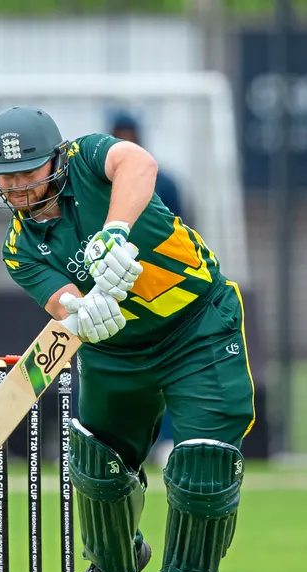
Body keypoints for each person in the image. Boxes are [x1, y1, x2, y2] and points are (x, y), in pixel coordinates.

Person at [0, 106, 255, 572]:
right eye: (8, 174)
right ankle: (111, 562)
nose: (18, 186)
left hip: (197, 324)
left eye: (30, 170)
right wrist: (81, 311)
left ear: (56, 161)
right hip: (117, 348)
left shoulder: (87, 159)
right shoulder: (19, 247)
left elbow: (137, 163)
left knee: (204, 459)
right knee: (97, 460)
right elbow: (59, 300)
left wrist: (115, 232)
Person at [108, 112, 187, 469]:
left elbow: (179, 231)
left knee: (169, 366)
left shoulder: (163, 181)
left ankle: (167, 439)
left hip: (157, 285)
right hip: (112, 288)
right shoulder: (96, 183)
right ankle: (112, 440)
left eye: (130, 135)